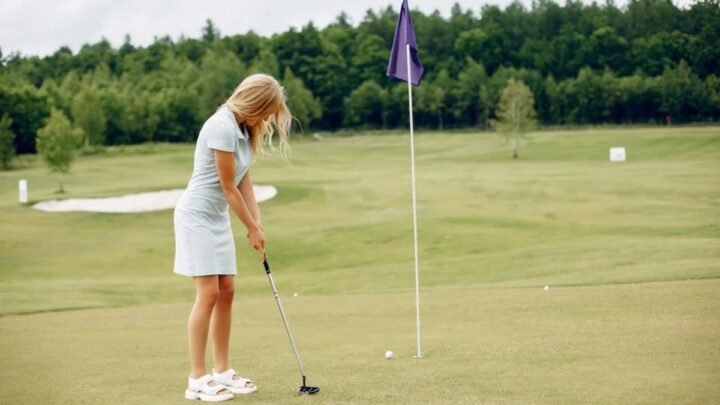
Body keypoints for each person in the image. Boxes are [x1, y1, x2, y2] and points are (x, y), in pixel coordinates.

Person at [172, 73, 291, 401]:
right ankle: (196, 379)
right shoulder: (221, 125)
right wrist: (249, 228)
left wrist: (258, 223)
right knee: (208, 293)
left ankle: (221, 370)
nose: (268, 118)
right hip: (196, 217)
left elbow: (243, 179)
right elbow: (226, 186)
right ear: (256, 103)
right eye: (268, 110)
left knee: (227, 291)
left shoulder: (243, 128)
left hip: (217, 218)